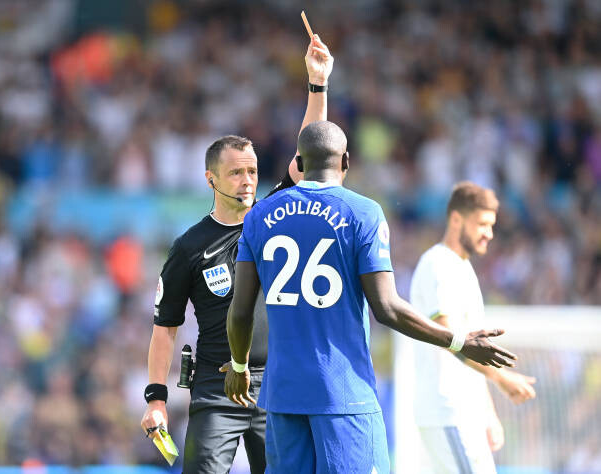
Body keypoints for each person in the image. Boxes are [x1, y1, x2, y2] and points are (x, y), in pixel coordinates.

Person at [223, 120, 518, 474]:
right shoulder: (363, 213)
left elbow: (240, 312)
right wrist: (459, 341)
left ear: (299, 164)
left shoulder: (259, 216)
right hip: (343, 395)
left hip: (283, 395)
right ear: (345, 162)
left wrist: (239, 366)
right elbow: (387, 308)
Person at [140, 34, 334, 474]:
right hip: (215, 387)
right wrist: (156, 399)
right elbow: (164, 329)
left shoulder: (272, 216)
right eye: (235, 173)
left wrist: (317, 84)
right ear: (211, 179)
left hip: (278, 388)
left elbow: (309, 155)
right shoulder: (188, 247)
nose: (247, 180)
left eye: (252, 171)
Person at [409, 181, 536, 474]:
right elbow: (453, 342)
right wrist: (503, 379)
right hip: (447, 410)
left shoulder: (462, 268)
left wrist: (487, 412)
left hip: (464, 414)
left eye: (491, 225)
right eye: (482, 224)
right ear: (456, 219)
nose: (489, 233)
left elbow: (473, 346)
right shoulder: (437, 264)